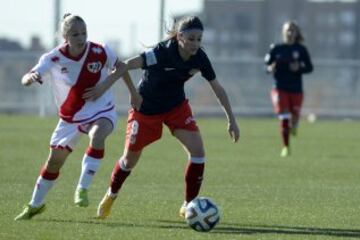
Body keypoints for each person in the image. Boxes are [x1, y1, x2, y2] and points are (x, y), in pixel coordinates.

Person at [86, 16, 240, 219]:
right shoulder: (160, 52)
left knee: (198, 152)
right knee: (129, 160)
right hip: (146, 110)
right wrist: (112, 87)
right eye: (191, 39)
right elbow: (126, 65)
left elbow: (218, 89)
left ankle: (188, 205)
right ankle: (111, 195)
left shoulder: (200, 58)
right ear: (180, 36)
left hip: (177, 107)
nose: (195, 44)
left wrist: (231, 119)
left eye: (199, 39)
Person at [14, 13, 141, 220]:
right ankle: (35, 205)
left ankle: (82, 188)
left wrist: (115, 89)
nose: (81, 37)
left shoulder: (100, 51)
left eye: (83, 33)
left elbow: (122, 66)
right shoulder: (53, 57)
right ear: (65, 37)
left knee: (98, 135)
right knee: (54, 163)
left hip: (102, 109)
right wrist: (30, 78)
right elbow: (27, 77)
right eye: (75, 34)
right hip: (70, 118)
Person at [265, 21, 313, 157]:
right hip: (279, 88)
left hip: (296, 89)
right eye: (288, 30)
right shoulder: (276, 48)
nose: (290, 33)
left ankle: (295, 126)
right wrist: (270, 68)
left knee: (295, 118)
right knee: (284, 116)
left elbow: (310, 68)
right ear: (283, 32)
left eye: (293, 30)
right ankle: (286, 147)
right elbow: (266, 66)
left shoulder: (301, 50)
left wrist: (299, 68)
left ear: (297, 33)